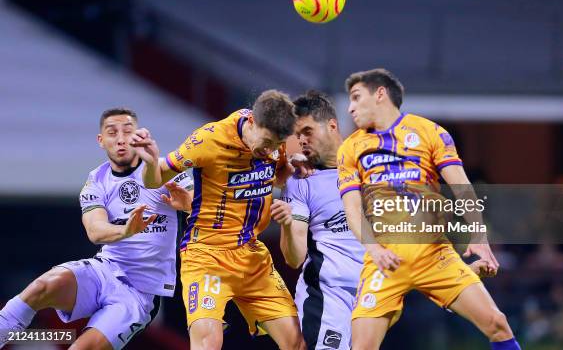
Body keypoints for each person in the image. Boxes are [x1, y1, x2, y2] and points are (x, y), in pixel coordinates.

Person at [272, 91, 497, 350]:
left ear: (332, 126)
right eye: (297, 135)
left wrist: (461, 273)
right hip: (329, 298)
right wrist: (288, 225)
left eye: (307, 131)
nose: (301, 141)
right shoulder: (302, 181)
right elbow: (294, 258)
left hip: (377, 295)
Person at [337, 69, 521, 350]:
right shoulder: (349, 149)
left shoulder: (430, 133)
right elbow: (352, 210)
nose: (350, 107)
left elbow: (461, 185)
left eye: (356, 97)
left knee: (497, 324)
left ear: (380, 94)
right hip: (384, 261)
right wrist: (374, 249)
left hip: (434, 255)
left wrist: (479, 236)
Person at [0, 108, 193, 350]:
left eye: (127, 131)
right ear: (101, 141)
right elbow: (95, 230)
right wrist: (126, 231)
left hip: (140, 292)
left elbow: (204, 208)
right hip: (105, 270)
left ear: (139, 136)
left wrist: (189, 206)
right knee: (42, 287)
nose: (121, 138)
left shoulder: (166, 170)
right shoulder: (96, 180)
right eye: (112, 132)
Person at [129, 90, 306, 350]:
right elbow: (155, 179)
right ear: (253, 122)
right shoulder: (209, 139)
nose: (268, 150)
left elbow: (276, 175)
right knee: (208, 343)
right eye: (266, 142)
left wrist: (294, 171)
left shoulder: (275, 140)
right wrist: (150, 162)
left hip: (252, 255)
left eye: (275, 144)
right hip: (206, 256)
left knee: (296, 343)